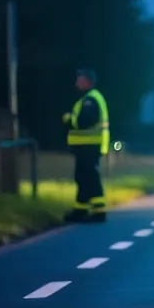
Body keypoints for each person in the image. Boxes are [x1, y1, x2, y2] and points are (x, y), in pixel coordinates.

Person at [62, 68, 109, 223]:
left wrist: (69, 119)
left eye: (79, 79)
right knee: (83, 178)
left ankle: (98, 211)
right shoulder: (89, 98)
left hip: (89, 146)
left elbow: (85, 121)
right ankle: (80, 210)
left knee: (89, 178)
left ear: (87, 82)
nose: (76, 82)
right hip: (86, 147)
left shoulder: (90, 100)